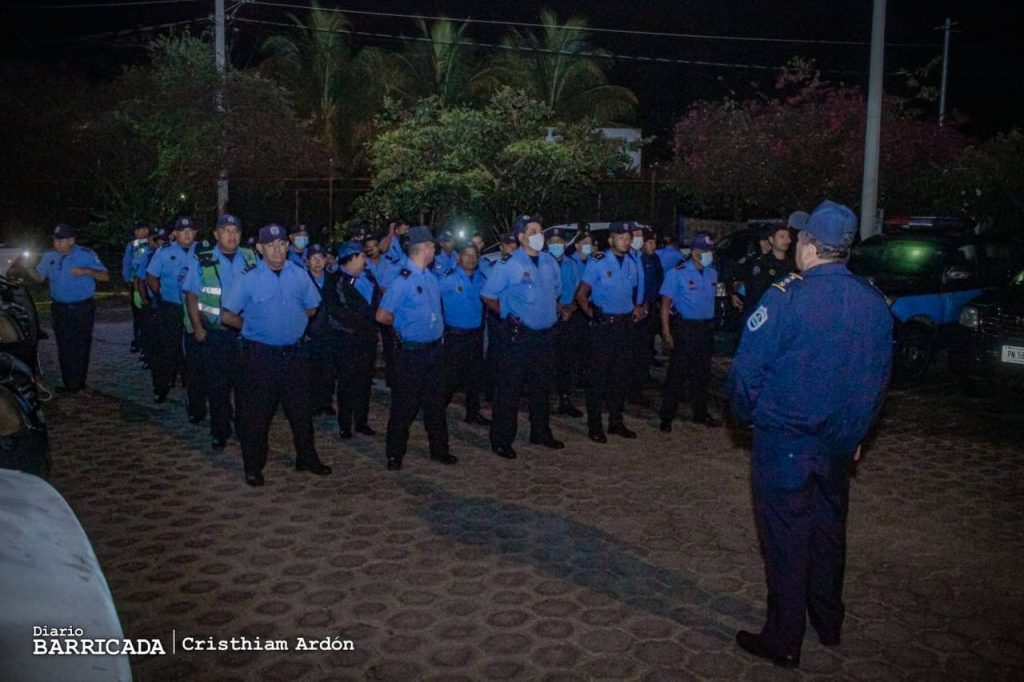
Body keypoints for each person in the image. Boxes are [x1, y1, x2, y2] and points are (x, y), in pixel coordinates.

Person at [726, 200, 893, 669]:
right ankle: (828, 620)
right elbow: (878, 380)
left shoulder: (787, 297)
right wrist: (856, 433)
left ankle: (783, 639)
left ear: (811, 246)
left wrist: (748, 416)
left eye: (801, 237)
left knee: (786, 540)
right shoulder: (873, 302)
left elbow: (744, 374)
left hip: (785, 444)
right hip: (837, 445)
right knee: (827, 534)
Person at [221, 223, 330, 487]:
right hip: (261, 357)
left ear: (287, 245)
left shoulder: (299, 275)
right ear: (260, 248)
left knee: (301, 412)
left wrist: (292, 324)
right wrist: (252, 328)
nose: (277, 250)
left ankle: (306, 457)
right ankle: (253, 466)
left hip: (294, 355)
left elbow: (312, 307)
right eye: (270, 246)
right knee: (257, 416)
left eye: (281, 244)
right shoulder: (249, 279)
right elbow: (227, 315)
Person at [375, 226, 457, 470]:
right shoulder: (403, 280)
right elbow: (382, 315)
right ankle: (394, 454)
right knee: (404, 406)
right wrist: (402, 325)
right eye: (432, 246)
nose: (435, 249)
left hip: (435, 351)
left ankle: (439, 450)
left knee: (436, 405)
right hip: (411, 353)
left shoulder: (429, 277)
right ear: (426, 248)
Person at [481, 215, 563, 459]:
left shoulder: (550, 261)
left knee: (542, 387)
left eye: (540, 230)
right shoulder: (508, 264)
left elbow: (557, 291)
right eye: (533, 231)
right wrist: (507, 314)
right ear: (521, 236)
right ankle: (502, 439)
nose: (539, 235)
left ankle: (541, 432)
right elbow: (488, 295)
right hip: (518, 337)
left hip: (545, 336)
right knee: (510, 389)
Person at [182, 214, 258, 449]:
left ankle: (245, 429)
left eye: (235, 231)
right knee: (218, 386)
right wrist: (197, 327)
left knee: (246, 386)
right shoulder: (203, 260)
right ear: (216, 234)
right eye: (225, 231)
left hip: (246, 333)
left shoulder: (251, 257)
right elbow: (191, 295)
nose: (231, 235)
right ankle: (220, 431)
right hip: (217, 333)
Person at [576, 220, 643, 442]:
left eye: (628, 237)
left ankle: (616, 422)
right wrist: (593, 315)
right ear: (610, 239)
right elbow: (581, 294)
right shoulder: (598, 261)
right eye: (621, 237)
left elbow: (632, 292)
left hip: (625, 326)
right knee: (598, 378)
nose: (625, 241)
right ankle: (595, 426)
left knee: (620, 376)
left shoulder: (632, 262)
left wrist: (636, 308)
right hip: (604, 327)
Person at [24, 224, 109, 392]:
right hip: (60, 308)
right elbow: (39, 278)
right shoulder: (49, 256)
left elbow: (105, 276)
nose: (57, 243)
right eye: (55, 240)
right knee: (63, 345)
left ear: (71, 240)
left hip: (82, 308)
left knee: (81, 344)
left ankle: (79, 382)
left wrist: (87, 271)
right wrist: (28, 268)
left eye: (61, 240)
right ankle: (69, 383)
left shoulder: (86, 254)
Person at [658, 232, 721, 431]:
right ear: (695, 252)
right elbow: (665, 304)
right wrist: (666, 331)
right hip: (685, 329)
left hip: (705, 328)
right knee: (677, 374)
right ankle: (667, 416)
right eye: (705, 250)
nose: (709, 254)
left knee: (702, 374)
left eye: (710, 250)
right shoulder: (677, 273)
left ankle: (700, 414)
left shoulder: (712, 273)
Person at [323, 241, 382, 439]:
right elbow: (339, 310)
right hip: (347, 338)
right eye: (361, 256)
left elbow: (377, 302)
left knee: (364, 381)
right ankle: (345, 424)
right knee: (347, 381)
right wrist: (364, 324)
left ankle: (361, 421)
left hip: (367, 339)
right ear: (351, 258)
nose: (365, 260)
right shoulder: (336, 280)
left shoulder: (368, 277)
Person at [145, 215, 197, 404]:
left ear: (195, 233)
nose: (187, 234)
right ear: (175, 234)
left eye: (190, 231)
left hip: (195, 308)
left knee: (194, 348)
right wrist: (159, 294)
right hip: (171, 307)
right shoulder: (164, 251)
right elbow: (151, 276)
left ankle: (191, 384)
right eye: (182, 231)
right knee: (167, 349)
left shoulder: (202, 250)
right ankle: (162, 387)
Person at [438, 241, 490, 426]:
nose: (471, 259)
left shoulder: (481, 279)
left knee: (475, 378)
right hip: (455, 337)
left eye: (474, 255)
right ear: (459, 258)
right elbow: (432, 298)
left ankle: (472, 413)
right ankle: (436, 412)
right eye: (467, 255)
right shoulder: (448, 279)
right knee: (450, 378)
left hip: (475, 335)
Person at [730, 211, 805, 316]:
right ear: (771, 240)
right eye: (782, 237)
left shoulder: (794, 265)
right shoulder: (760, 264)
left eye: (788, 237)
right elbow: (754, 292)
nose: (787, 240)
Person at [547, 228, 583, 418]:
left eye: (559, 241)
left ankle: (565, 399)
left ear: (564, 243)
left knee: (567, 361)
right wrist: (559, 308)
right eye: (552, 241)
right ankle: (546, 400)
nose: (556, 245)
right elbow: (542, 291)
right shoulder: (542, 263)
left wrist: (572, 308)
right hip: (549, 319)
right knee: (547, 361)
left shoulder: (572, 264)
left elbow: (580, 289)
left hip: (570, 317)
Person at [631, 227, 665, 399]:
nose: (653, 246)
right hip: (636, 310)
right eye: (649, 242)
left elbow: (659, 282)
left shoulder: (655, 259)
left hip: (650, 308)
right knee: (636, 349)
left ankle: (643, 376)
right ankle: (634, 387)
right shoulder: (635, 259)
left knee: (646, 347)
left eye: (654, 243)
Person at [304, 243, 336, 416]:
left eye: (320, 258)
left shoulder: (333, 279)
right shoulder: (302, 280)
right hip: (310, 332)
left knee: (329, 369)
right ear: (307, 261)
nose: (317, 262)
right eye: (313, 258)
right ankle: (313, 403)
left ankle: (326, 401)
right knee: (311, 369)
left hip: (330, 330)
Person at [122, 219, 150, 353]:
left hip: (149, 283)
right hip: (136, 284)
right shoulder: (132, 245)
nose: (140, 232)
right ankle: (138, 340)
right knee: (138, 314)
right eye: (138, 230)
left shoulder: (152, 242)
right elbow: (126, 263)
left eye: (143, 229)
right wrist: (127, 280)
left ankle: (148, 341)